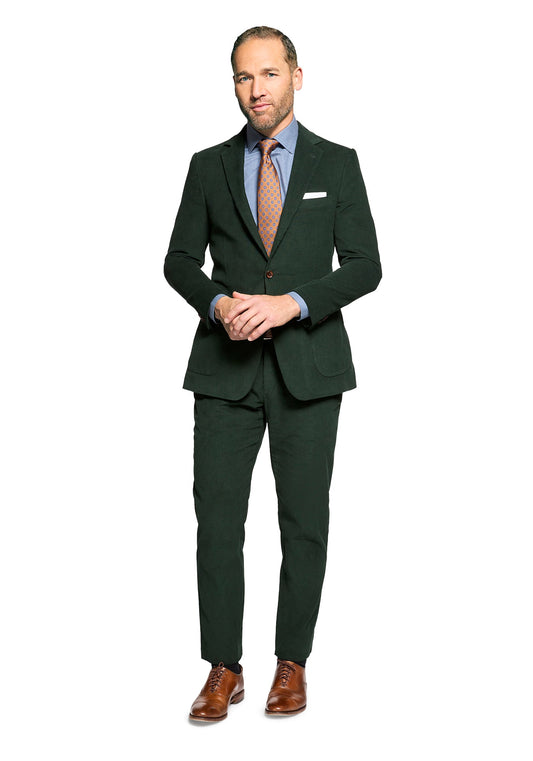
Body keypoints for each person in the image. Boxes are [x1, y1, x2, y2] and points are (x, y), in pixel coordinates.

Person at [164, 26, 381, 721]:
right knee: (216, 522)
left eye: (268, 73)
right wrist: (218, 302)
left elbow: (365, 265)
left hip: (308, 369)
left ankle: (293, 663)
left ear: (295, 76)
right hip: (223, 370)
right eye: (242, 77)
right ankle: (222, 666)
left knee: (304, 521)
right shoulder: (206, 166)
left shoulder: (337, 163)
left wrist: (294, 302)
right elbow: (178, 260)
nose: (255, 89)